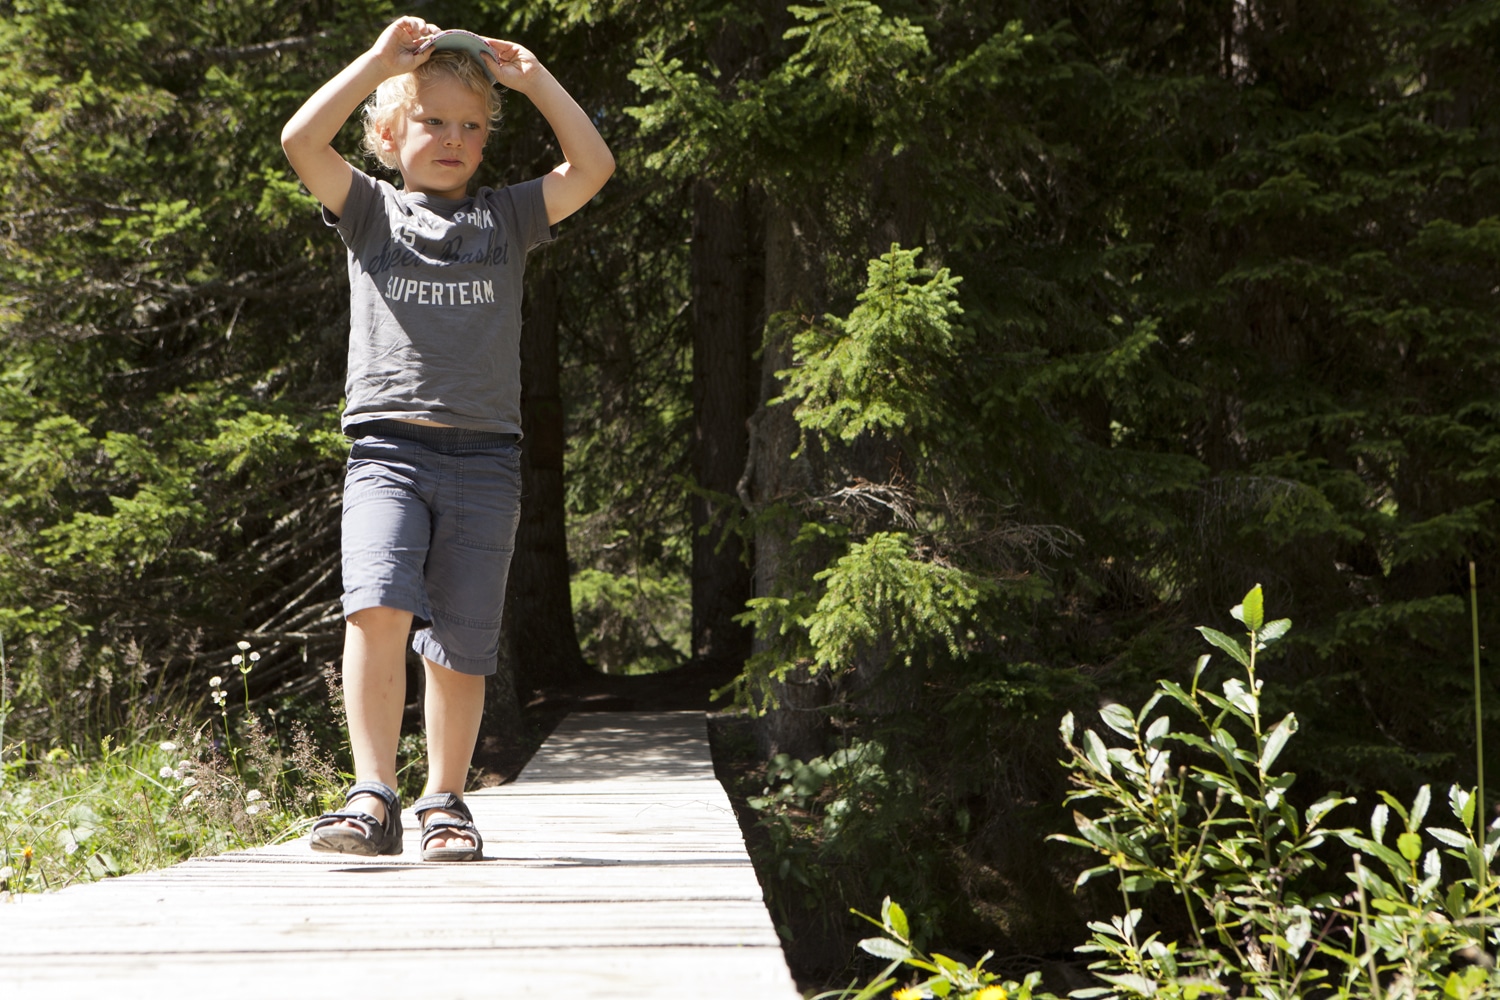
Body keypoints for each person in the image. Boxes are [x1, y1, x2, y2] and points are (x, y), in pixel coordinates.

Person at [280, 15, 613, 861]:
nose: (454, 138)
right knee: (377, 611)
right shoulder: (369, 211)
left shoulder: (508, 218)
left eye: (472, 125)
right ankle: (371, 795)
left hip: (485, 459)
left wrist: (534, 81)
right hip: (386, 453)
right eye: (433, 121)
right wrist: (377, 64)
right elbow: (299, 140)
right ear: (390, 137)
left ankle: (445, 800)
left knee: (462, 644)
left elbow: (593, 168)